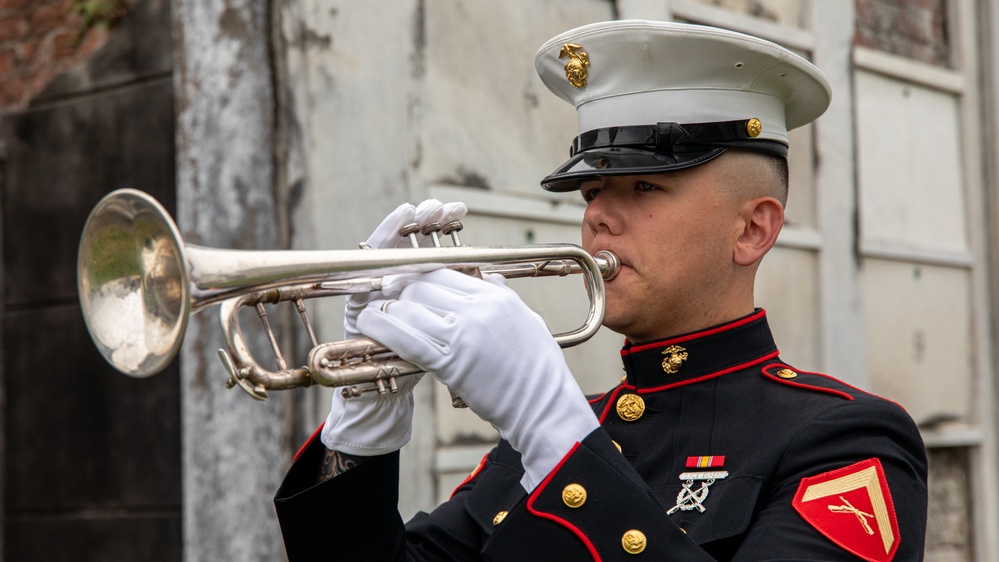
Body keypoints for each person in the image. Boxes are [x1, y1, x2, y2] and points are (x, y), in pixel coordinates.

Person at [274, 20, 928, 561]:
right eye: (591, 193)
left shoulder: (845, 441)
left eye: (645, 188)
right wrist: (361, 432)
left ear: (752, 229)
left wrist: (556, 439)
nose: (596, 218)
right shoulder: (558, 426)